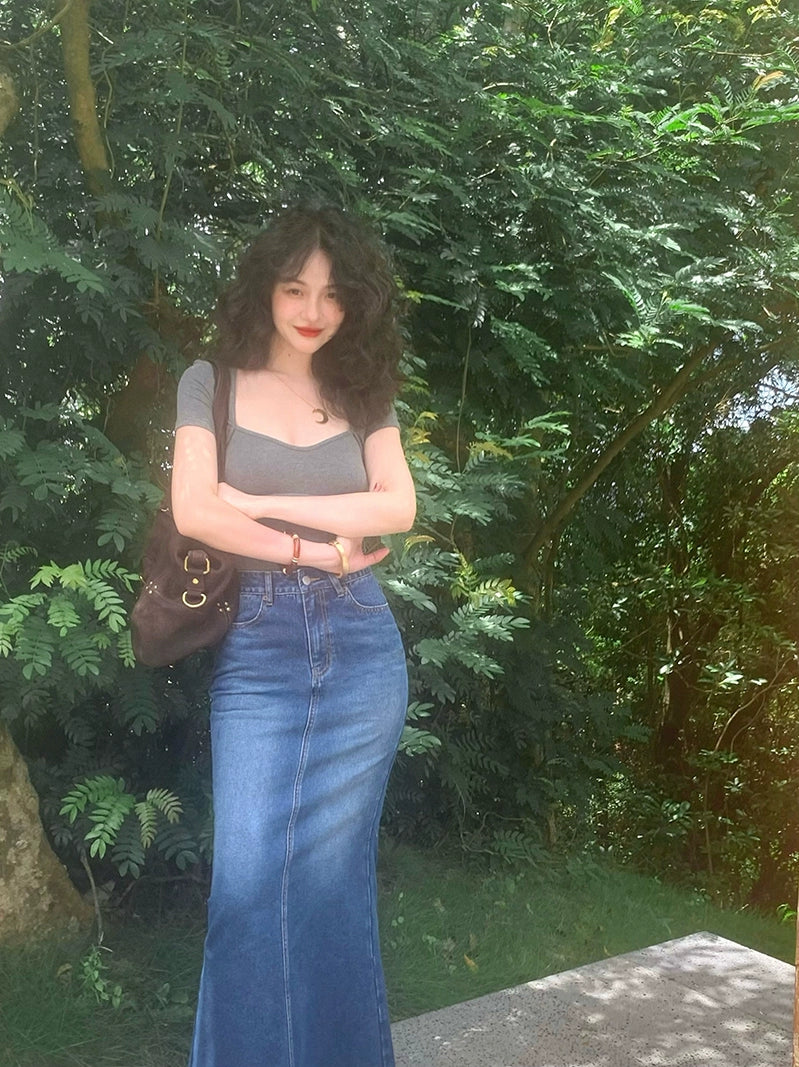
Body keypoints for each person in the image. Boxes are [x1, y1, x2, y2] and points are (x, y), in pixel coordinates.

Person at [171, 204, 416, 1067]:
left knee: (331, 889)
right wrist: (311, 545)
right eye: (294, 288)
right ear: (263, 290)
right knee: (244, 889)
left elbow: (396, 506)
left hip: (361, 646)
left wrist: (257, 501)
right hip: (260, 643)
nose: (313, 309)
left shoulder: (363, 393)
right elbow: (195, 509)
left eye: (333, 293)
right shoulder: (210, 382)